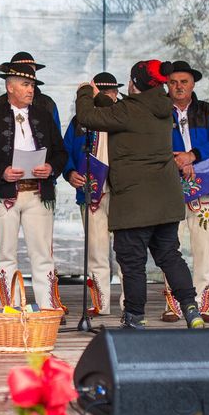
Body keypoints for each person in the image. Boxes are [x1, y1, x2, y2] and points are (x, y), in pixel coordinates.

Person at [76, 60, 203, 330]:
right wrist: (101, 96)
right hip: (165, 200)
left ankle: (134, 316)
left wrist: (85, 92)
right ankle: (191, 308)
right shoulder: (162, 107)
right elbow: (119, 111)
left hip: (135, 203)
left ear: (135, 83)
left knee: (132, 262)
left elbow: (88, 117)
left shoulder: (129, 111)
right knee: (169, 255)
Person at [0, 63, 69, 312]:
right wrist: (1, 171)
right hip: (4, 193)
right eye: (26, 85)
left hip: (39, 193)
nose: (31, 90)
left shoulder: (43, 115)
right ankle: (11, 308)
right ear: (10, 86)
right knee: (6, 254)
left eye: (32, 85)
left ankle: (48, 309)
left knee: (42, 254)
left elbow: (61, 152)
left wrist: (51, 167)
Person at [161, 60, 209, 323]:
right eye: (174, 82)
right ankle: (173, 304)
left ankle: (202, 301)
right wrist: (175, 160)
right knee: (168, 246)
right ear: (167, 84)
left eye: (184, 82)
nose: (178, 86)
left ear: (193, 84)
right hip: (168, 189)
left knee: (203, 246)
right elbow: (149, 143)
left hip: (203, 189)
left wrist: (193, 156)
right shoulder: (158, 111)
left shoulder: (207, 111)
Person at [62, 71, 123, 316]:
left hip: (121, 192)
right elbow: (64, 151)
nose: (104, 96)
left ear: (116, 94)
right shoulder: (80, 121)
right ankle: (101, 303)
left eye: (109, 92)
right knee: (96, 250)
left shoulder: (124, 115)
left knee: (126, 252)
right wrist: (69, 173)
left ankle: (131, 303)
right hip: (91, 193)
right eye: (100, 92)